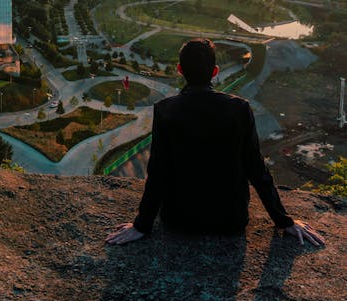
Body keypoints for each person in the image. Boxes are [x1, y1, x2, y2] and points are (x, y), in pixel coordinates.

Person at [106, 39, 324, 247]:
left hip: (178, 220)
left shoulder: (165, 109)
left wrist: (141, 225)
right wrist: (284, 221)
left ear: (180, 70)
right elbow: (256, 169)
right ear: (215, 71)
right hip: (230, 220)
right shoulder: (239, 109)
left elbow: (157, 172)